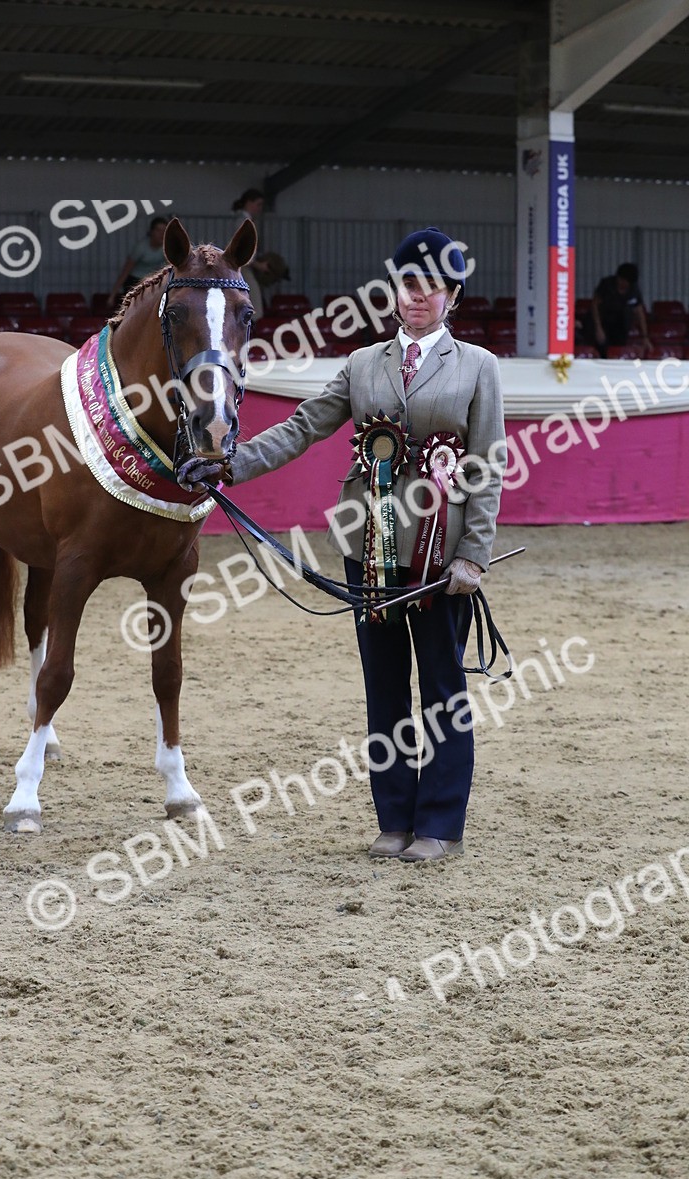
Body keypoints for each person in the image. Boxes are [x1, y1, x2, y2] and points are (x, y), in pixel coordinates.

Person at [182, 228, 507, 864]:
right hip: (373, 551)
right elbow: (304, 428)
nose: (417, 297)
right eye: (408, 285)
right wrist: (229, 463)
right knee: (383, 687)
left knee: (442, 688)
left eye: (431, 288)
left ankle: (439, 824)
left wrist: (475, 552)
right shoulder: (363, 365)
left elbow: (488, 466)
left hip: (441, 557)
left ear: (451, 298)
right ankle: (394, 818)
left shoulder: (478, 367)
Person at [231, 188, 285, 320]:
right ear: (249, 203)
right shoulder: (244, 222)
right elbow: (241, 251)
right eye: (258, 204)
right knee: (256, 310)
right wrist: (259, 265)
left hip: (244, 268)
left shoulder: (244, 220)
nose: (260, 208)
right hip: (244, 269)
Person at [591, 262, 651, 357]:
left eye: (626, 282)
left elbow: (639, 312)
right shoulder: (606, 284)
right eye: (621, 280)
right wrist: (598, 328)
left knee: (617, 352)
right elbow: (594, 305)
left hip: (621, 326)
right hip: (603, 322)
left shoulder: (634, 290)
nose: (623, 283)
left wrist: (645, 337)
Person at [108, 216, 169, 308]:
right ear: (151, 232)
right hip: (134, 282)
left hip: (150, 282)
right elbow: (125, 272)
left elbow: (171, 268)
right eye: (158, 230)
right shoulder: (141, 247)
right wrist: (112, 296)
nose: (161, 234)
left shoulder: (166, 249)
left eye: (164, 231)